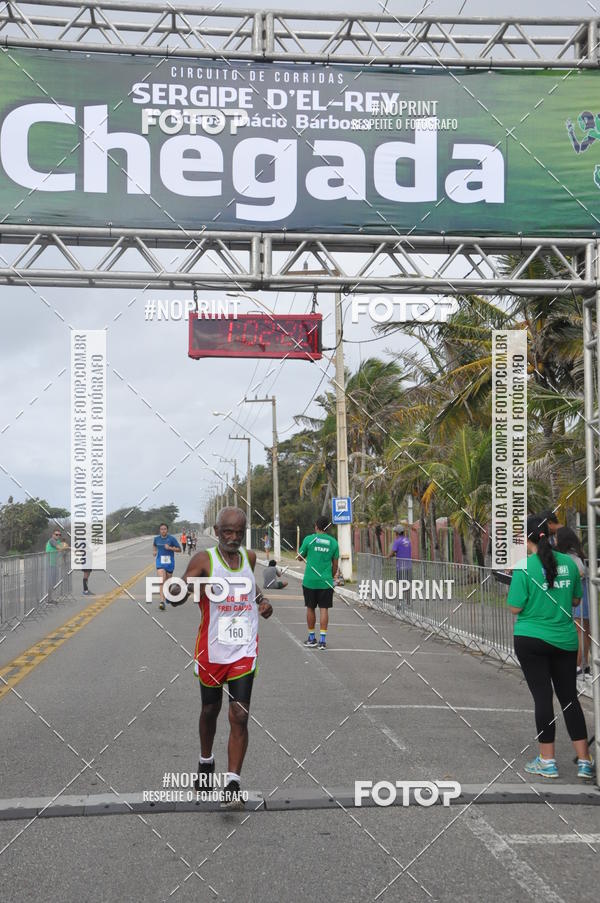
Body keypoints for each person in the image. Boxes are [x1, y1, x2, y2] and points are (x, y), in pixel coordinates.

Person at [169, 507, 272, 809]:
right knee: (209, 710)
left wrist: (262, 601)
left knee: (239, 714)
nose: (233, 537)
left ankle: (232, 783)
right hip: (211, 650)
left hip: (243, 648)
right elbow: (182, 587)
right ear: (217, 531)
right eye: (227, 532)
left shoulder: (249, 558)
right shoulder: (204, 559)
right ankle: (205, 760)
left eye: (238, 532)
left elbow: (250, 586)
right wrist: (179, 591)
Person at [507, 515, 594, 780]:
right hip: (565, 639)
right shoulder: (570, 564)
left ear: (527, 538)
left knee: (543, 697)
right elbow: (577, 599)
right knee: (569, 698)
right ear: (550, 534)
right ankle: (584, 760)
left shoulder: (525, 567)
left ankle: (547, 761)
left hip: (531, 638)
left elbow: (515, 607)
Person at [297, 516, 339, 650]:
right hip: (325, 581)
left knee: (310, 608)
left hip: (310, 581)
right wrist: (329, 577)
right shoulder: (333, 542)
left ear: (316, 526)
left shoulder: (309, 539)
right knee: (324, 609)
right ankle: (322, 640)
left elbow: (299, 557)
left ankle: (311, 638)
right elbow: (335, 565)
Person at [555, 526, 591, 677]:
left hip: (578, 599)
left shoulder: (571, 557)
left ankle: (578, 664)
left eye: (556, 537)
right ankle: (584, 664)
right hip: (581, 598)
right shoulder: (576, 555)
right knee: (583, 631)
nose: (554, 540)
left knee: (580, 631)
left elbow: (581, 572)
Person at [152, 524, 181, 610]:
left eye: (165, 529)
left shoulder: (171, 539)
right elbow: (154, 545)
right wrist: (154, 551)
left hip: (169, 562)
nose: (163, 531)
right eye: (161, 529)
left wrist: (170, 548)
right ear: (159, 530)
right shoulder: (156, 539)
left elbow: (179, 549)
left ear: (167, 530)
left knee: (168, 582)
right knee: (162, 580)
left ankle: (167, 595)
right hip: (160, 562)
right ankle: (162, 602)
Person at [45, 528, 69, 602]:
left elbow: (62, 549)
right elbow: (60, 547)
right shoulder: (51, 540)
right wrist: (65, 546)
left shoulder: (57, 541)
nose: (58, 536)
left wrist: (64, 546)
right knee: (50, 582)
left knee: (53, 582)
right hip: (49, 563)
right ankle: (48, 599)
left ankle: (50, 598)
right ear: (53, 535)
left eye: (59, 534)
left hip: (54, 564)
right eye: (56, 534)